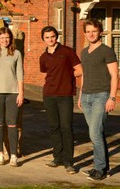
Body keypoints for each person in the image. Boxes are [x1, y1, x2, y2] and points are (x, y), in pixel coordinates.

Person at [78, 18, 118, 181]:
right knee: (96, 133)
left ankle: (99, 168)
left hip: (101, 96)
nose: (91, 34)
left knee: (94, 133)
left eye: (93, 31)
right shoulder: (84, 52)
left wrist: (112, 97)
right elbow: (84, 75)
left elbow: (115, 75)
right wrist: (80, 96)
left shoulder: (107, 51)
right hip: (86, 97)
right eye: (88, 31)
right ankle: (103, 167)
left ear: (100, 32)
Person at [39, 26, 82, 175]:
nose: (50, 39)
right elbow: (45, 73)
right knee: (54, 127)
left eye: (52, 36)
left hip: (65, 95)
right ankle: (57, 158)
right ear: (43, 39)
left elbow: (80, 70)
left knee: (66, 127)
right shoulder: (43, 57)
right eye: (47, 37)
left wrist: (67, 76)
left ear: (56, 37)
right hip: (49, 95)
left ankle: (69, 162)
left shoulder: (67, 52)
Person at [0, 26, 24, 167]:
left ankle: (13, 156)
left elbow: (20, 74)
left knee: (13, 124)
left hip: (13, 93)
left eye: (7, 38)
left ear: (10, 39)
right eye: (2, 38)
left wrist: (21, 93)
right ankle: (0, 154)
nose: (4, 40)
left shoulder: (16, 54)